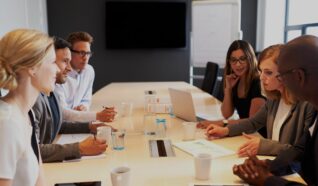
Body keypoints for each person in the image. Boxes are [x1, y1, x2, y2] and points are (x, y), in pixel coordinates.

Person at [232, 35, 318, 185]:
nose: (281, 82)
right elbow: (299, 151)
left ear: (299, 76)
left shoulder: (309, 107)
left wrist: (267, 180)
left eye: (282, 75)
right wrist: (269, 166)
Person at [205, 44, 316, 157]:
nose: (262, 77)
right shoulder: (274, 99)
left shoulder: (308, 105)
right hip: (274, 161)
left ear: (284, 73)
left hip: (293, 171)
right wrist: (226, 130)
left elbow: (302, 152)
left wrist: (264, 146)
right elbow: (254, 122)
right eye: (261, 71)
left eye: (268, 72)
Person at [33, 37, 111, 162]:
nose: (69, 69)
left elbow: (56, 125)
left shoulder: (51, 93)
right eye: (64, 61)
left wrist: (90, 127)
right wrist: (79, 149)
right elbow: (33, 151)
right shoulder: (33, 101)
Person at [0, 29, 58, 185]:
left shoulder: (27, 114)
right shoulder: (7, 124)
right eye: (53, 62)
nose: (57, 69)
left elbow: (39, 180)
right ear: (32, 68)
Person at [197, 40, 266, 133]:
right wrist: (228, 89)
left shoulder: (258, 83)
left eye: (243, 59)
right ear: (229, 62)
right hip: (242, 131)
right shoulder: (236, 79)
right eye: (233, 60)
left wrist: (221, 123)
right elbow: (226, 114)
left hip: (257, 134)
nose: (238, 64)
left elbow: (252, 122)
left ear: (250, 59)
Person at [55, 31, 95, 111]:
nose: (85, 58)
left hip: (78, 119)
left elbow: (86, 99)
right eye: (82, 53)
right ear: (69, 52)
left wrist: (83, 107)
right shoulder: (60, 75)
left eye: (88, 53)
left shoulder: (89, 71)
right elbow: (63, 112)